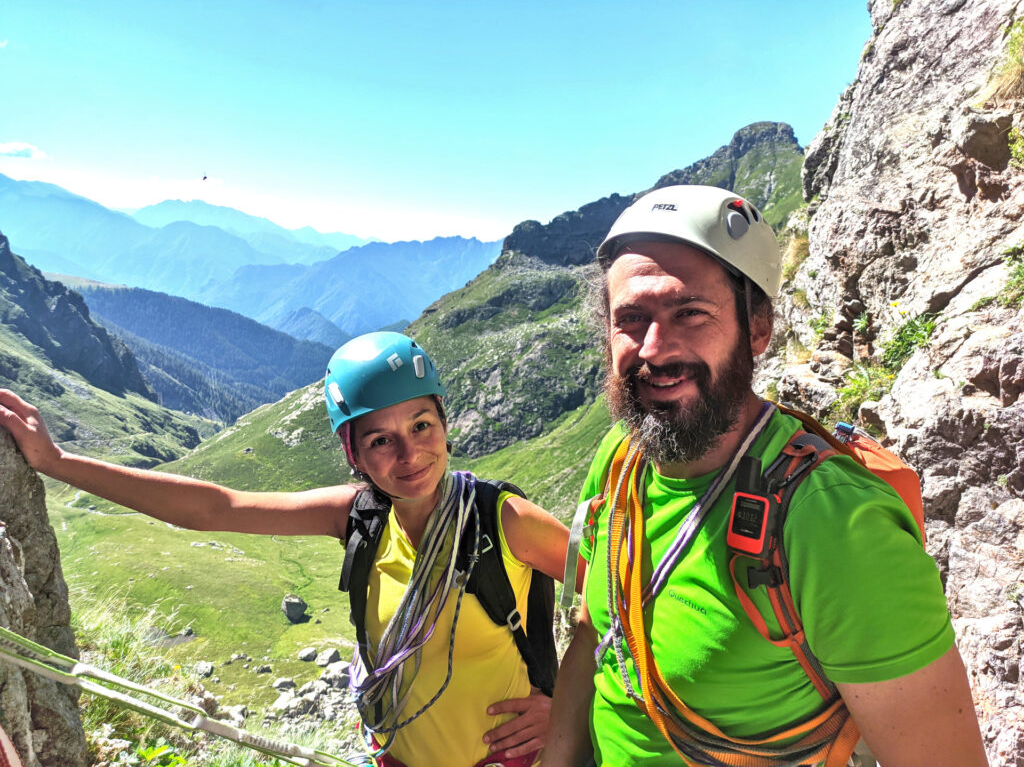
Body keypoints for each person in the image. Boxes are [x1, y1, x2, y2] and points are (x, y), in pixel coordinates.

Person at [544, 185, 988, 767]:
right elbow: (597, 638)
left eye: (690, 313)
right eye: (630, 319)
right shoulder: (621, 459)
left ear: (757, 330)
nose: (653, 348)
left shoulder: (837, 527)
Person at [0, 331, 573, 767]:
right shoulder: (360, 517)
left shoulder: (503, 522)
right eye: (380, 439)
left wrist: (568, 707)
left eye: (422, 425)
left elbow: (623, 598)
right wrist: (58, 464)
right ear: (354, 455)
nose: (410, 454)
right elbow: (216, 509)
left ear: (445, 423)